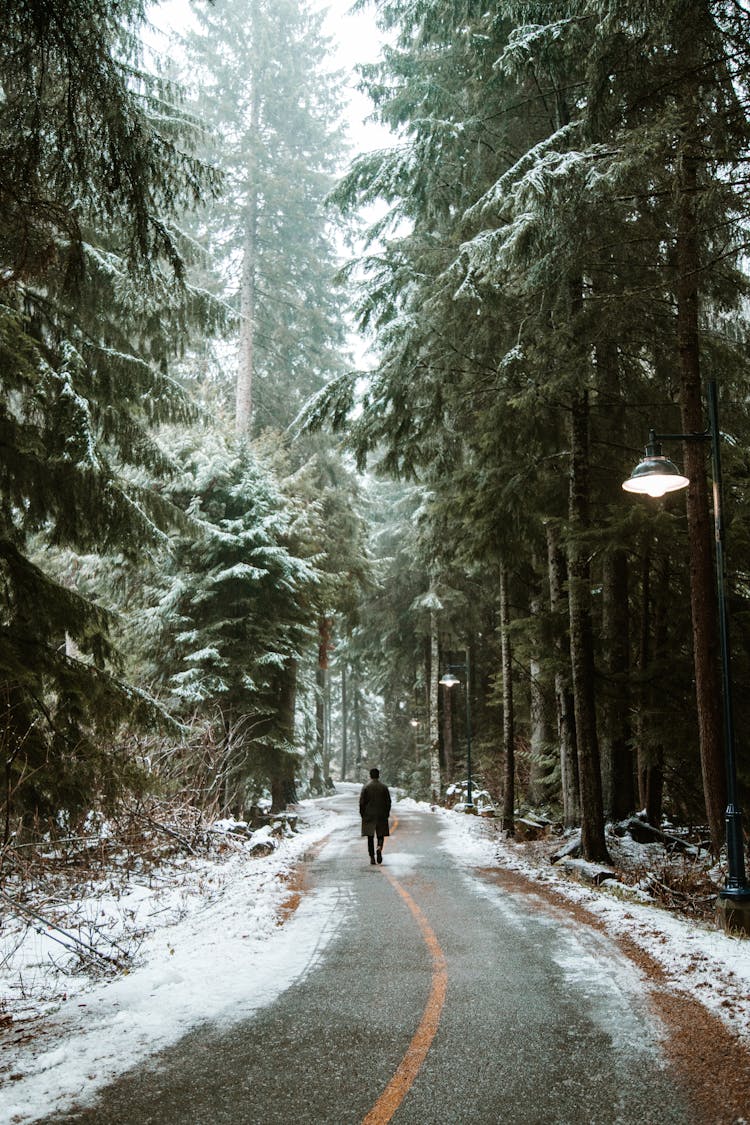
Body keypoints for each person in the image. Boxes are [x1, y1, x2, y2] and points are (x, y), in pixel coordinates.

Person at [359, 767, 391, 865]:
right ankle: (379, 847)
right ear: (378, 775)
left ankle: (372, 857)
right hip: (381, 814)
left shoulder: (366, 787)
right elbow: (388, 802)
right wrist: (386, 813)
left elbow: (361, 802)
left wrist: (362, 814)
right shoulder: (384, 787)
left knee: (370, 836)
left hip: (369, 814)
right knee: (380, 834)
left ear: (370, 775)